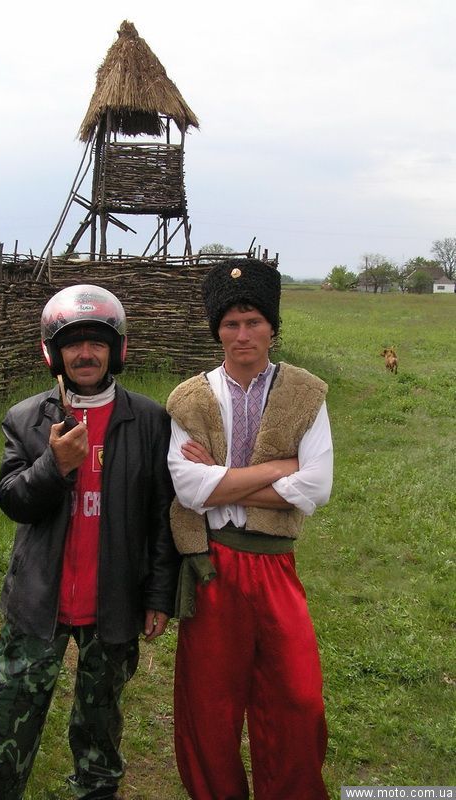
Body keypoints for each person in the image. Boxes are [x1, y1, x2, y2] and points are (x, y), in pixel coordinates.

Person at [0, 284, 179, 800]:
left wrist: (158, 595)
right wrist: (54, 466)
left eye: (97, 342)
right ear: (53, 352)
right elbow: (13, 500)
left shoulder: (148, 421)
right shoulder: (26, 419)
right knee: (8, 720)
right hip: (38, 600)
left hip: (114, 601)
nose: (85, 354)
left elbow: (162, 516)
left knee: (100, 723)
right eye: (73, 343)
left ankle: (96, 790)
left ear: (116, 350)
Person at [166, 259, 333, 800]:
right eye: (231, 323)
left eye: (254, 322)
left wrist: (222, 480)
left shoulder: (305, 393)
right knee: (209, 705)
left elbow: (316, 486)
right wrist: (279, 469)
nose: (243, 335)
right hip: (214, 567)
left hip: (275, 565)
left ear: (272, 328)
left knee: (299, 699)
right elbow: (189, 488)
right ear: (217, 330)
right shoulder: (190, 399)